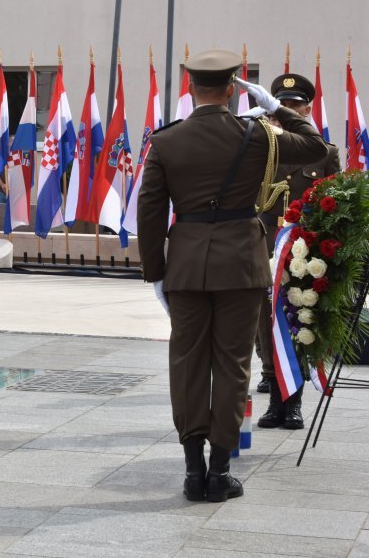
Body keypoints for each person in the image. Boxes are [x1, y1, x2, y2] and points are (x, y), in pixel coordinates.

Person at [137, 49, 328, 503]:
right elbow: (317, 148)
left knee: (186, 365)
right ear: (232, 90)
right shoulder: (259, 135)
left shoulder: (166, 142)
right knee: (232, 365)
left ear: (189, 88)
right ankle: (219, 473)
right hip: (241, 266)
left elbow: (149, 211)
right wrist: (278, 108)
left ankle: (191, 471)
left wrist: (155, 272)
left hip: (184, 267)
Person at [255, 73, 341, 429]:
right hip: (261, 249)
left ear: (307, 110)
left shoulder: (326, 153)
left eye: (295, 107)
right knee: (266, 324)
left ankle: (292, 403)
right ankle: (274, 395)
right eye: (282, 107)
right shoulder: (258, 148)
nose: (287, 112)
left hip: (303, 254)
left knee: (299, 322)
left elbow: (334, 206)